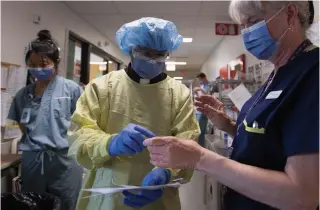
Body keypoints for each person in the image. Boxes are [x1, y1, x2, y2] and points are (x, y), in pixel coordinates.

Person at [144, 1, 319, 210]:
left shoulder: (312, 73)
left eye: (253, 22)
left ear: (290, 13)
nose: (246, 33)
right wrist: (226, 124)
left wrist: (200, 158)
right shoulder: (279, 72)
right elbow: (272, 142)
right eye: (243, 26)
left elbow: (302, 196)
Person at [68, 17, 200, 210]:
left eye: (160, 54)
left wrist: (166, 173)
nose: (153, 60)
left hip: (159, 198)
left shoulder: (179, 94)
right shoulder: (101, 88)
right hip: (107, 196)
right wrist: (110, 144)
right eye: (146, 53)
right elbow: (79, 136)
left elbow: (188, 143)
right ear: (131, 49)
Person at [7, 30, 83, 210]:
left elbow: (84, 125)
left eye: (43, 64)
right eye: (32, 64)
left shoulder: (71, 90)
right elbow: (22, 127)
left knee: (66, 204)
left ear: (55, 62)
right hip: (33, 164)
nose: (38, 69)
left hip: (64, 164)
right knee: (34, 204)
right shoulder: (23, 95)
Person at [193, 73, 218, 146]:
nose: (200, 81)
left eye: (200, 79)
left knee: (201, 130)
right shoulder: (203, 86)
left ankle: (200, 146)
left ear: (204, 78)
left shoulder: (211, 86)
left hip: (204, 111)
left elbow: (209, 97)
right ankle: (198, 144)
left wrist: (200, 90)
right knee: (198, 130)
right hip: (199, 111)